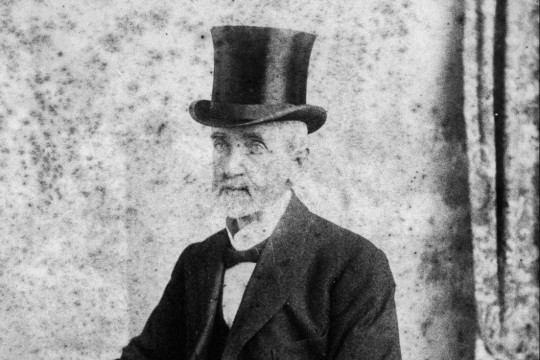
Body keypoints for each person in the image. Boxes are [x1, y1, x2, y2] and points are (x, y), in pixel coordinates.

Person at [118, 25, 401, 360]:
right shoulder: (197, 261)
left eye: (254, 147)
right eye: (221, 145)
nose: (230, 166)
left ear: (297, 162)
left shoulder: (353, 265)